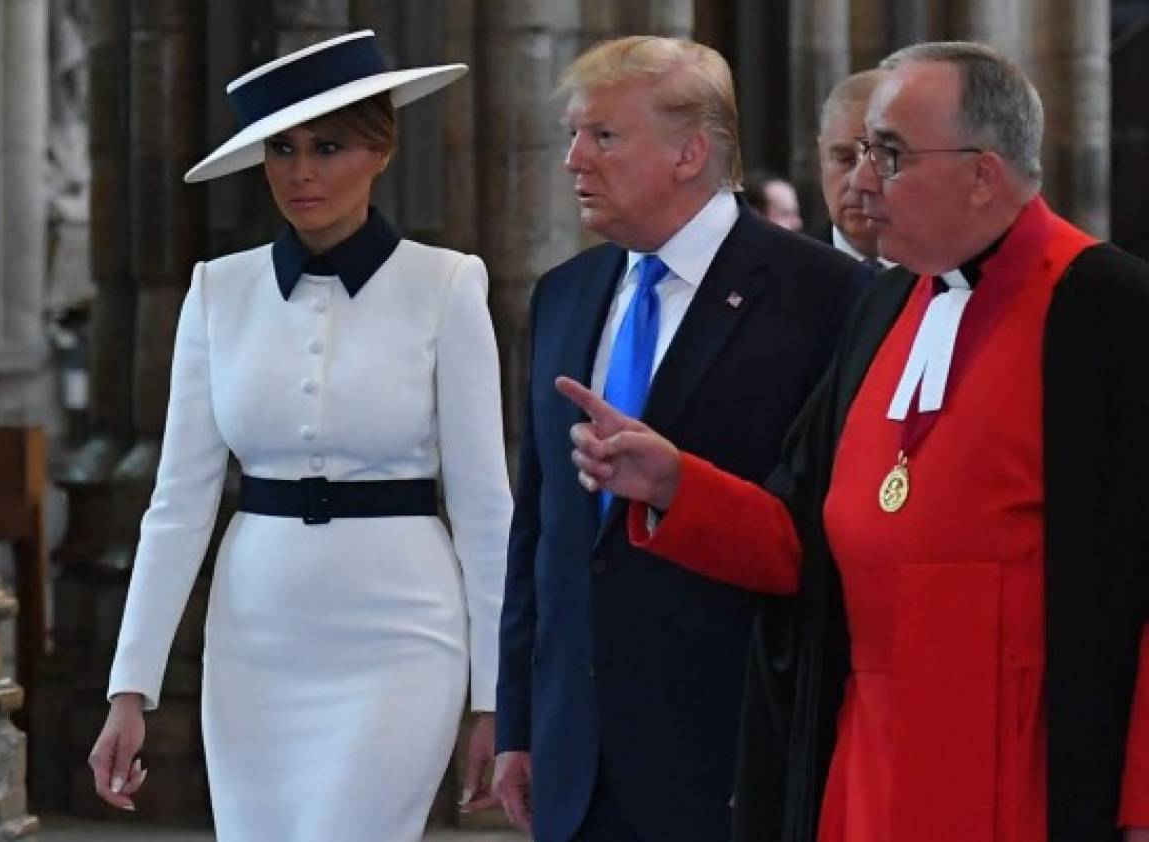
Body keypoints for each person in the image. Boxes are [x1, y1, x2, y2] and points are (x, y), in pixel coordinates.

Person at [559, 40, 1149, 842]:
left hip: (1021, 766)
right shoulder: (884, 307)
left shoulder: (1104, 304)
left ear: (984, 173)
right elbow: (804, 539)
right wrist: (675, 487)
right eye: (864, 151)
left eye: (892, 155)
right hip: (865, 757)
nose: (862, 181)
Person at [87, 30, 512, 842]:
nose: (301, 171)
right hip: (257, 634)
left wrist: (495, 696)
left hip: (404, 631)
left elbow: (488, 509)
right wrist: (129, 687)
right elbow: (176, 505)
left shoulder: (448, 284)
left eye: (328, 146)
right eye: (280, 149)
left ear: (380, 151)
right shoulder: (219, 291)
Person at [492, 35, 868, 842]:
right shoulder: (565, 293)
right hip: (575, 754)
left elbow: (832, 535)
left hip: (728, 753)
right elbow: (541, 531)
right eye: (572, 135)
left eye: (602, 136)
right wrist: (519, 722)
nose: (572, 161)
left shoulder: (826, 295)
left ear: (689, 152)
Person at [812, 70, 889, 267]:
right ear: (821, 156)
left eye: (881, 159)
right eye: (844, 159)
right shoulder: (778, 273)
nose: (860, 180)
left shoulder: (952, 273)